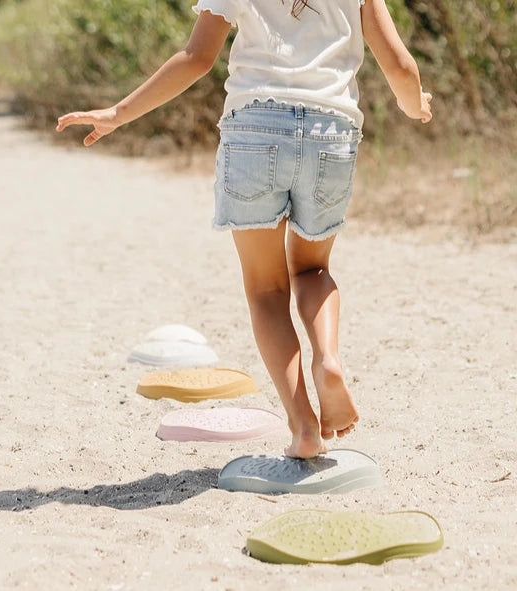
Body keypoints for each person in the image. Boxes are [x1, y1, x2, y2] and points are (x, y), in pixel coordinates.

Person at [56, 0, 432, 459]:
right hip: (331, 133)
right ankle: (328, 359)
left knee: (266, 290)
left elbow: (196, 59)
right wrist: (415, 107)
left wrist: (120, 112)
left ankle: (303, 427)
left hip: (255, 128)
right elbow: (400, 64)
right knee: (313, 270)